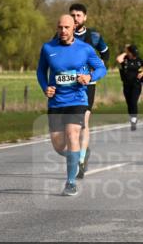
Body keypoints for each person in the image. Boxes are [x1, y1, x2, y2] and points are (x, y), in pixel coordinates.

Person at [37, 15, 107, 195]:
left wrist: (90, 77)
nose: (63, 31)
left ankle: (70, 182)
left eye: (66, 27)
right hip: (56, 101)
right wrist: (46, 87)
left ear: (74, 27)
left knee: (72, 134)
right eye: (60, 27)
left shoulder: (85, 49)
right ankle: (77, 158)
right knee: (59, 145)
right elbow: (40, 71)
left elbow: (101, 68)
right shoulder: (48, 48)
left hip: (77, 99)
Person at [69, 3, 109, 177]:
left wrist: (96, 71)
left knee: (83, 122)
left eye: (78, 15)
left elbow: (106, 53)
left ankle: (81, 159)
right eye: (73, 15)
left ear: (85, 17)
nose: (75, 18)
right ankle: (78, 152)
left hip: (87, 85)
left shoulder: (94, 36)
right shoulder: (63, 34)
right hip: (68, 86)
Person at [116, 44, 143, 131]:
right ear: (129, 53)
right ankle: (132, 117)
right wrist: (126, 52)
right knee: (129, 102)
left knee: (133, 101)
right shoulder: (125, 60)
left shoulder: (139, 61)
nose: (134, 55)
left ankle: (134, 119)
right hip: (126, 84)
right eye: (133, 53)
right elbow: (118, 59)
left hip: (136, 84)